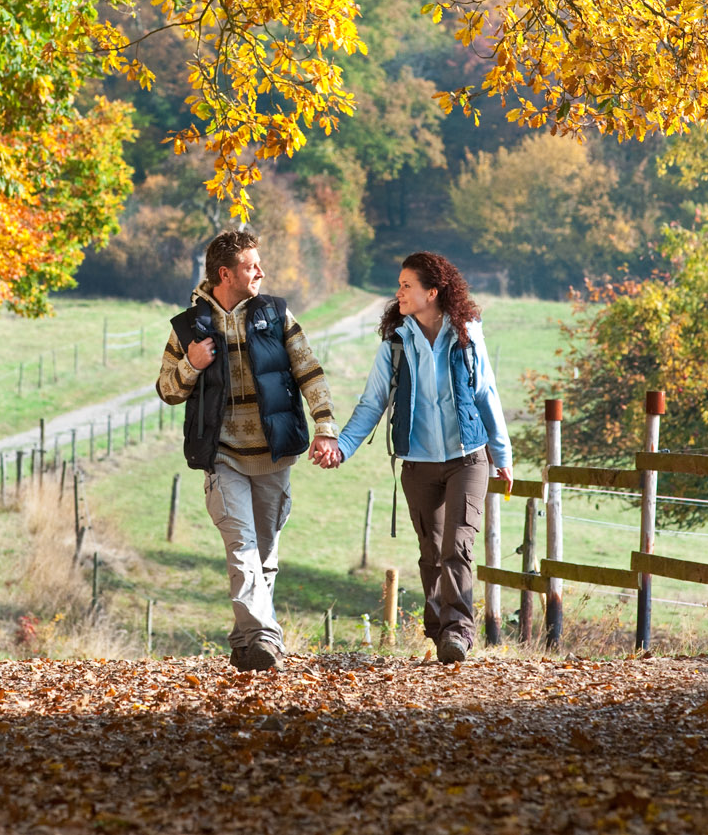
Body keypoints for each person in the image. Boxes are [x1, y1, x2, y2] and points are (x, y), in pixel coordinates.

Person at [156, 230, 340, 672]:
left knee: (265, 556)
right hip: (222, 456)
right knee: (241, 547)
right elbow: (167, 389)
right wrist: (191, 364)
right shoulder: (188, 328)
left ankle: (246, 643)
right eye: (250, 265)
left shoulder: (276, 314)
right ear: (226, 273)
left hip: (273, 453)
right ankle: (265, 638)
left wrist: (326, 425)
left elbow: (308, 370)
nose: (260, 271)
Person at [333, 252, 512, 664]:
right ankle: (439, 632)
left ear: (432, 292)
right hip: (417, 463)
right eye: (399, 285)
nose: (399, 293)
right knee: (431, 551)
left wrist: (501, 455)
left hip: (468, 458)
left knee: (457, 547)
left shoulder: (467, 336)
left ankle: (459, 632)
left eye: (406, 285)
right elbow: (372, 403)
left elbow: (486, 394)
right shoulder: (397, 343)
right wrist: (343, 446)